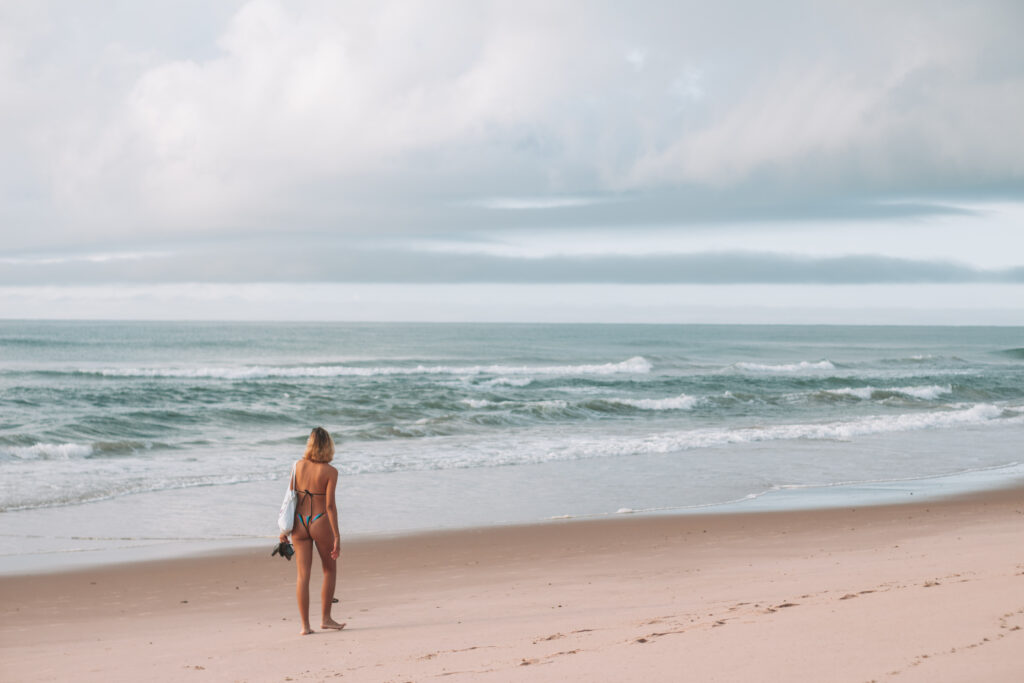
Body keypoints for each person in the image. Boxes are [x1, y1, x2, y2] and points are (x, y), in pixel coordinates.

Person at [279, 426, 345, 635]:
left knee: (303, 575)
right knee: (329, 569)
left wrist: (283, 530)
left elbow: (290, 498)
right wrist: (337, 535)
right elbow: (330, 507)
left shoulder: (297, 466)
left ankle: (305, 626)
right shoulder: (331, 472)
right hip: (320, 522)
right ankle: (326, 618)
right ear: (328, 446)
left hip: (299, 523)